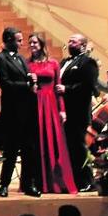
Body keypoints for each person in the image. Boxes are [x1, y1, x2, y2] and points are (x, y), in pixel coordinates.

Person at [0, 27, 41, 197]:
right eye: (18, 40)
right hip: (12, 111)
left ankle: (28, 184)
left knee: (29, 149)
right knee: (11, 150)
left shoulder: (21, 58)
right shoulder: (0, 59)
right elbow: (5, 83)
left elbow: (25, 77)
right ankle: (4, 184)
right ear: (9, 40)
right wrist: (26, 85)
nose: (21, 44)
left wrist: (32, 79)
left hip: (27, 110)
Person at [28, 33, 76, 194]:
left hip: (50, 105)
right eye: (30, 43)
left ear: (41, 44)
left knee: (54, 143)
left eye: (35, 42)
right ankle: (39, 182)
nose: (32, 45)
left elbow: (58, 88)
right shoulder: (26, 63)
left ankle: (56, 181)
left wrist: (62, 109)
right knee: (37, 143)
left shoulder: (53, 63)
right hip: (35, 104)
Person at [58, 34, 98, 191]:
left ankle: (88, 181)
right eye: (69, 41)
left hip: (78, 112)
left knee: (79, 147)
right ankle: (72, 180)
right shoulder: (64, 62)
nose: (70, 44)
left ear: (83, 45)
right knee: (69, 148)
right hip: (64, 111)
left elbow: (88, 86)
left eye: (73, 42)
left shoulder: (88, 62)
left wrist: (66, 89)